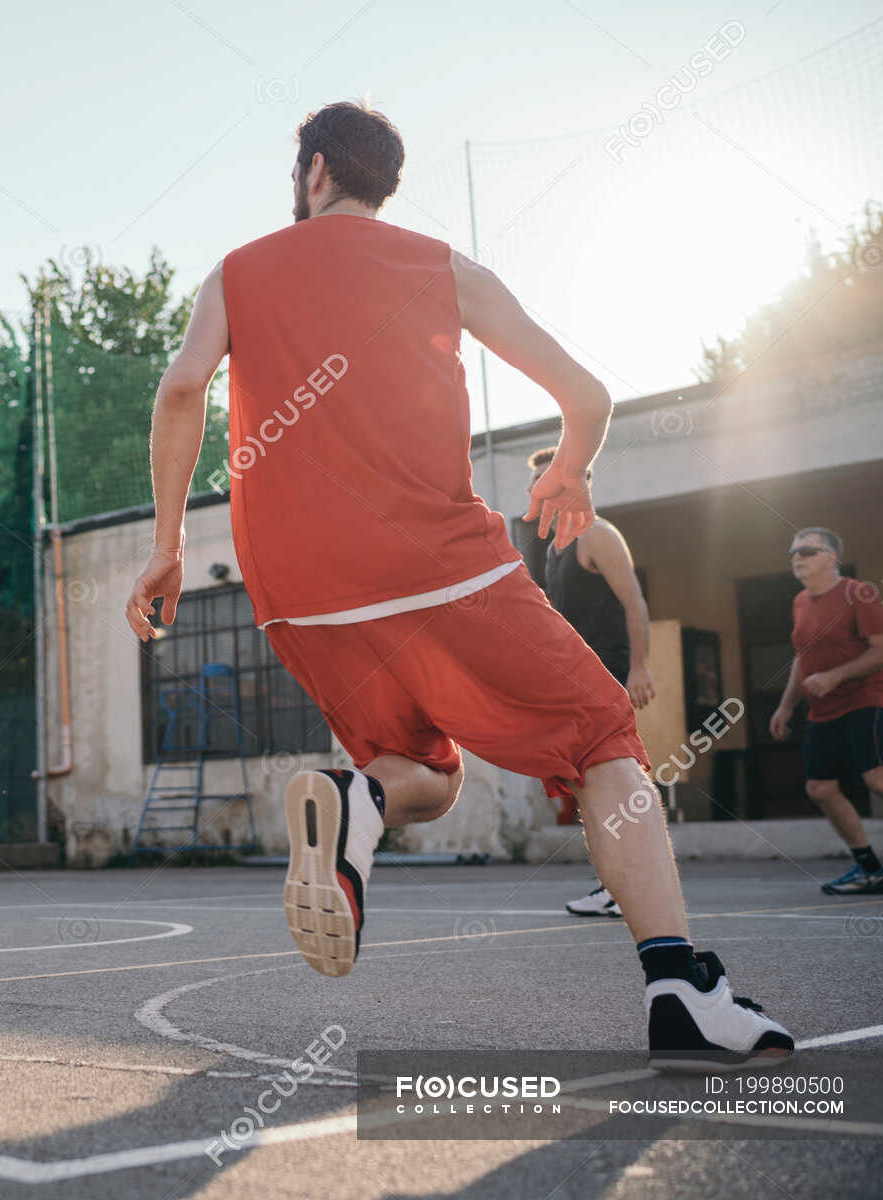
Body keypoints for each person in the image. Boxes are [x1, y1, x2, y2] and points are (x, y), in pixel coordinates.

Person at [124, 101, 792, 1068]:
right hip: (435, 564)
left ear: (312, 171)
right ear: (379, 183)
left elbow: (182, 389)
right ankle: (680, 987)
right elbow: (588, 395)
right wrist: (571, 469)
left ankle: (358, 802)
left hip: (294, 586)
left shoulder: (235, 272)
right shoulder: (441, 266)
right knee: (606, 740)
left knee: (430, 775)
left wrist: (169, 546)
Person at [519, 448, 658, 919]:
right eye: (535, 481)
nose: (538, 488)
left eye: (548, 478)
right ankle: (612, 885)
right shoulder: (555, 547)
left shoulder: (598, 535)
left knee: (608, 779)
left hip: (609, 674)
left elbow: (635, 603)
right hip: (576, 680)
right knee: (587, 784)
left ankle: (628, 886)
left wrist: (639, 667)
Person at [768, 526, 883, 895]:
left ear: (831, 557)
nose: (796, 558)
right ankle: (869, 869)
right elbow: (802, 658)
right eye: (793, 553)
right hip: (822, 710)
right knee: (820, 788)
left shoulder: (858, 593)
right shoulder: (799, 602)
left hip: (867, 698)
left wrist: (836, 676)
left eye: (807, 551)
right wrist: (786, 706)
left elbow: (880, 649)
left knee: (876, 779)